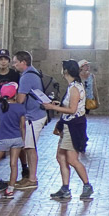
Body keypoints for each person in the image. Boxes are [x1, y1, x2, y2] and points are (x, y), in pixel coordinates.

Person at [44, 60, 92, 201]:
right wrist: (58, 104)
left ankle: (87, 185)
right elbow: (69, 104)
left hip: (73, 126)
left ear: (66, 71)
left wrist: (52, 108)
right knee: (61, 157)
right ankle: (65, 188)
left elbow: (72, 110)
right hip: (68, 125)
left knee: (72, 159)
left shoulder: (74, 88)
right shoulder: (72, 86)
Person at [0, 82, 27, 198]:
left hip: (3, 139)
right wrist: (23, 141)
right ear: (15, 94)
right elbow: (22, 126)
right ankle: (10, 190)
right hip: (17, 138)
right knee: (13, 164)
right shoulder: (20, 107)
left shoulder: (0, 107)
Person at [13, 51, 47, 190]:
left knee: (30, 147)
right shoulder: (32, 73)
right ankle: (30, 177)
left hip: (34, 116)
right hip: (35, 114)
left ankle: (32, 179)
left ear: (23, 62)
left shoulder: (26, 77)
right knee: (28, 147)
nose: (14, 65)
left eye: (15, 62)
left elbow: (20, 99)